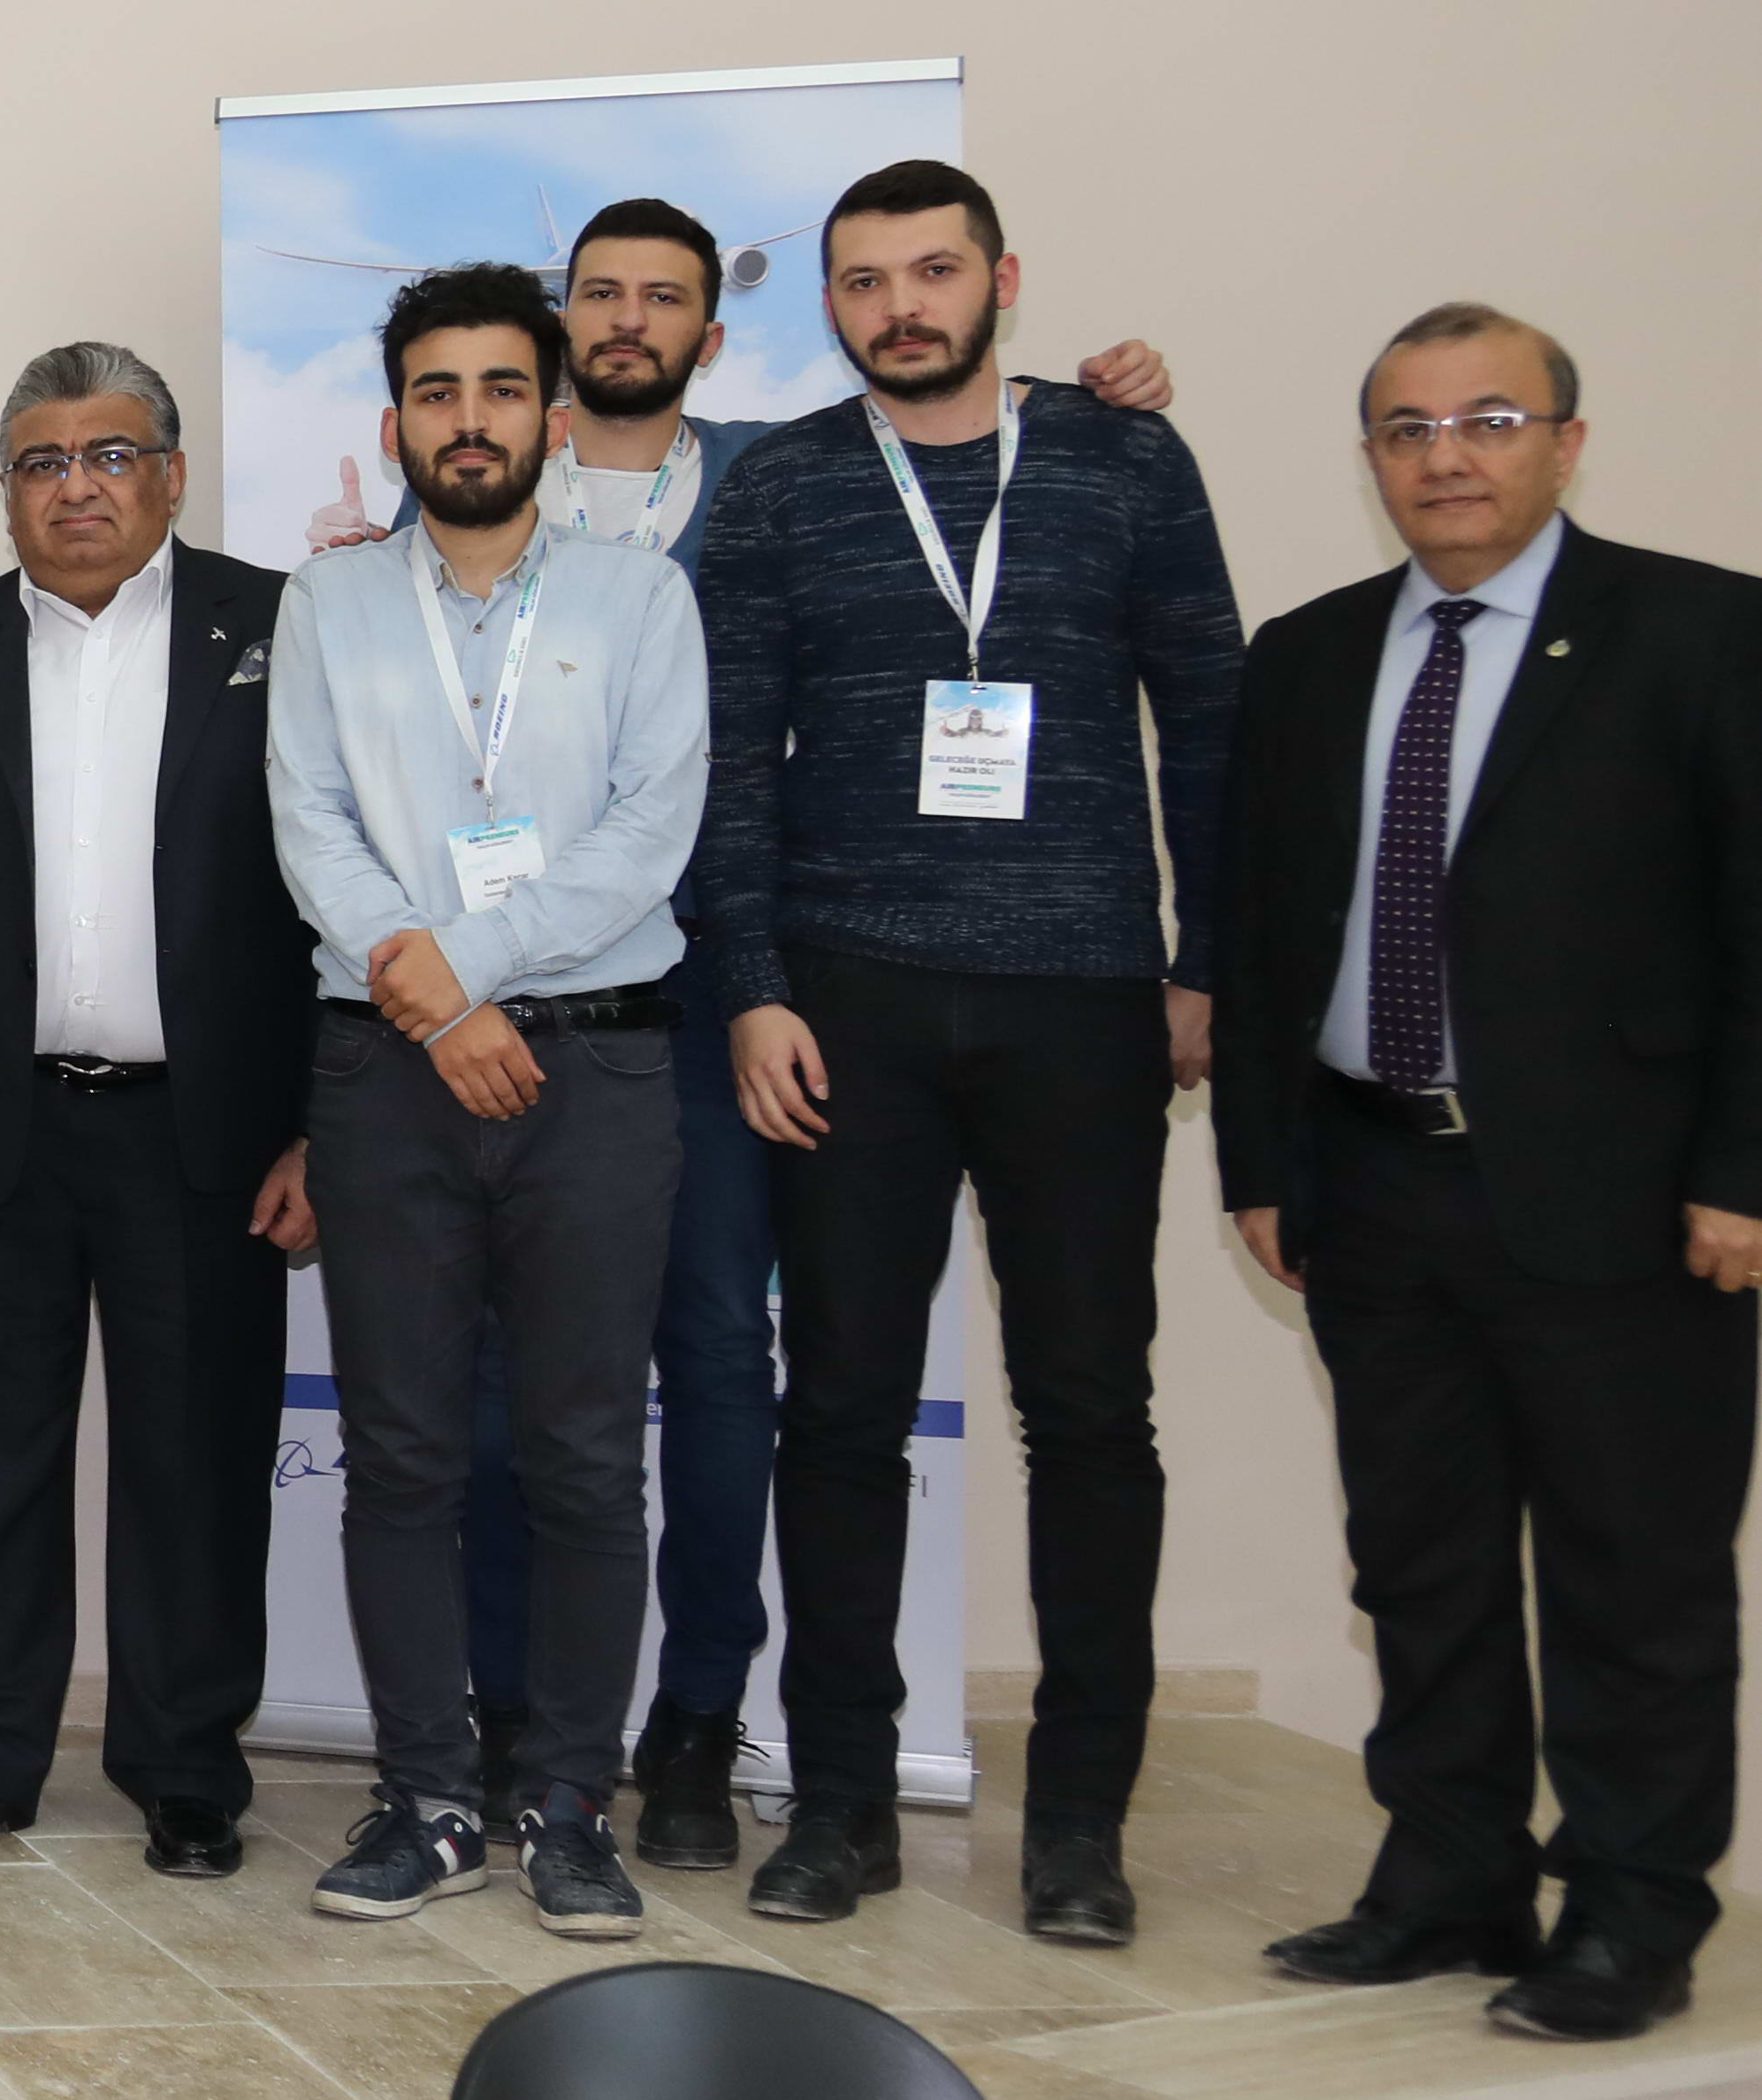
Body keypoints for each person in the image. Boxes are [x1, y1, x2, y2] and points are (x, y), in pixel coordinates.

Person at [410, 202, 1174, 1875]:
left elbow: (960, 428)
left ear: (715, 331)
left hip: (711, 993)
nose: (627, 320)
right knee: (502, 1381)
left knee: (718, 1359)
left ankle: (696, 1719)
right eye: (599, 295)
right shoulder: (451, 494)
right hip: (501, 994)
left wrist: (1101, 389)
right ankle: (509, 1711)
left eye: (663, 298)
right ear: (554, 325)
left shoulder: (777, 473)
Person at [695, 159, 1247, 1943]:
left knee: (1087, 1411)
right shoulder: (783, 484)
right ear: (830, 306)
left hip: (1083, 1000)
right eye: (864, 282)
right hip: (845, 1002)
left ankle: (1077, 1827)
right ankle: (837, 1807)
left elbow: (1211, 719)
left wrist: (1204, 963)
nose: (899, 307)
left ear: (999, 281)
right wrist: (753, 984)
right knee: (842, 1409)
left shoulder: (1122, 458)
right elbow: (726, 757)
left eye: (931, 272)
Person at [1218, 307, 1762, 2044]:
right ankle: (1448, 1879)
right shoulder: (1307, 654)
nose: (1444, 457)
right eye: (1406, 428)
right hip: (1373, 1185)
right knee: (1419, 1565)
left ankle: (1629, 1916)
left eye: (1487, 420)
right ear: (1370, 457)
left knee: (1632, 1579)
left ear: (1566, 442)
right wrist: (1258, 1160)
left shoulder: (1703, 633)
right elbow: (1257, 925)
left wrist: (1742, 1172)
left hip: (1628, 1203)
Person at [265, 268, 708, 1940]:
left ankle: (570, 1806)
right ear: (395, 421)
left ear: (552, 414)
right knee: (402, 1459)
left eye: (502, 389)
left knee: (586, 1458)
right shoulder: (329, 602)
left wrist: (468, 969)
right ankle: (428, 1800)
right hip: (386, 1074)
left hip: (594, 1066)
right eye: (437, 391)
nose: (470, 421)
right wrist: (436, 999)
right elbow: (310, 821)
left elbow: (650, 830)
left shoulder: (640, 598)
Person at [0, 341, 309, 1880]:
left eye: (110, 457)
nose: (78, 489)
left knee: (198, 1464)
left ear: (170, 477)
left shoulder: (276, 628)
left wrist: (319, 1128)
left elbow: (336, 896)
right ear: (9, 495)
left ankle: (186, 1768)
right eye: (43, 463)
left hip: (209, 1140)